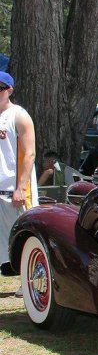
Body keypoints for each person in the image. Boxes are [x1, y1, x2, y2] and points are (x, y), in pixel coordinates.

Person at [0, 71, 38, 288]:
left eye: (0, 88)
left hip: (14, 191)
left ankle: (30, 284)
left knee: (23, 237)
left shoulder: (18, 115)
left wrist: (20, 188)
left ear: (10, 90)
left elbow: (29, 153)